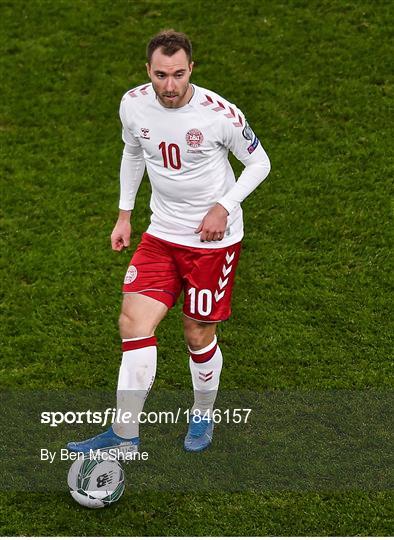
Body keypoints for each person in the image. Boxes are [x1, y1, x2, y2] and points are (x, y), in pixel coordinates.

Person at [67, 29, 270, 456]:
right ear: (148, 70)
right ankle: (125, 436)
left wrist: (224, 205)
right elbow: (133, 152)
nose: (170, 86)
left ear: (191, 68)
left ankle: (203, 411)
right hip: (161, 234)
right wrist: (125, 215)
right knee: (133, 324)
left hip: (212, 244)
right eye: (161, 75)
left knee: (197, 335)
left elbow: (259, 162)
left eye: (179, 75)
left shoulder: (219, 115)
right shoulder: (133, 103)